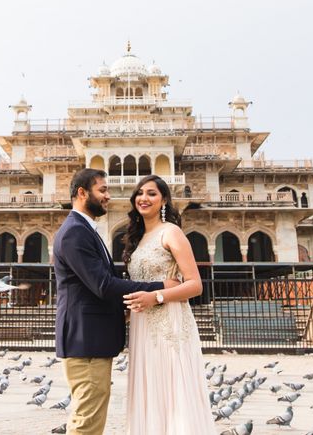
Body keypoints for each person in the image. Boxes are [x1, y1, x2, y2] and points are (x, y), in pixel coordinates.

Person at [52, 168, 178, 435]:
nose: (108, 196)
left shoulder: (86, 229)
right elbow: (103, 285)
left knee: (90, 416)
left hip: (91, 340)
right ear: (82, 193)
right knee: (87, 421)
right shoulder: (75, 232)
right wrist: (160, 288)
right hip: (85, 342)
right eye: (103, 190)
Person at [122, 175, 218, 434]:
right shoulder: (138, 238)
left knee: (172, 387)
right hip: (142, 325)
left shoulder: (171, 232)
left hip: (169, 323)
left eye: (152, 193)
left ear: (163, 199)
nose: (144, 198)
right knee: (150, 387)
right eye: (140, 193)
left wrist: (156, 297)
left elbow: (195, 284)